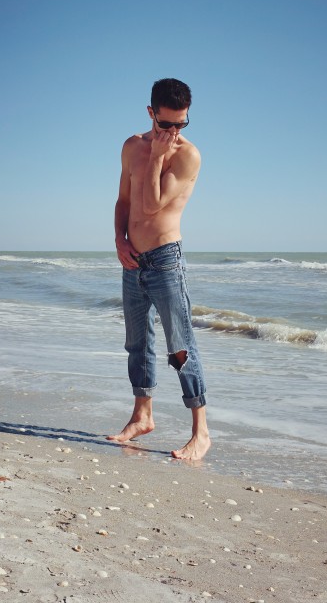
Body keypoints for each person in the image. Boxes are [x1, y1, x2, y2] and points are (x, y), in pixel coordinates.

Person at [108, 78, 211, 461]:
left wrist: (157, 156)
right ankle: (142, 416)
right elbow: (124, 199)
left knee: (180, 347)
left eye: (181, 124)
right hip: (132, 259)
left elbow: (151, 205)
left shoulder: (187, 156)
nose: (173, 132)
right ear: (151, 112)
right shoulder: (132, 146)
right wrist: (119, 239)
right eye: (165, 124)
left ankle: (201, 433)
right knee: (137, 344)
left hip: (166, 260)